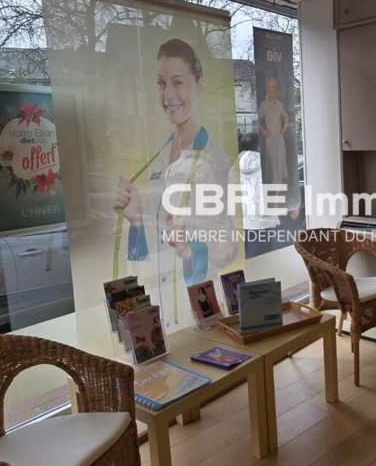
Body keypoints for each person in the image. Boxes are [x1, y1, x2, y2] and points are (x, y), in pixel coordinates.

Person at [113, 38, 237, 328]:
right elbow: (157, 240)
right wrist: (137, 219)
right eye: (162, 83)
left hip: (196, 302)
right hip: (161, 302)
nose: (168, 95)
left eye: (178, 82)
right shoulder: (159, 158)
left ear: (199, 85)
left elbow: (227, 250)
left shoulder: (213, 160)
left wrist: (191, 244)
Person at [257, 72, 289, 187]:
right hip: (270, 138)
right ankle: (276, 191)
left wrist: (284, 128)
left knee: (280, 165)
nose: (271, 89)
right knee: (273, 165)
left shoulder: (280, 105)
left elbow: (286, 118)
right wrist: (264, 131)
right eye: (269, 86)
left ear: (276, 88)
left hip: (279, 137)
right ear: (267, 88)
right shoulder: (263, 105)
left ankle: (277, 193)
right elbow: (257, 120)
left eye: (273, 87)